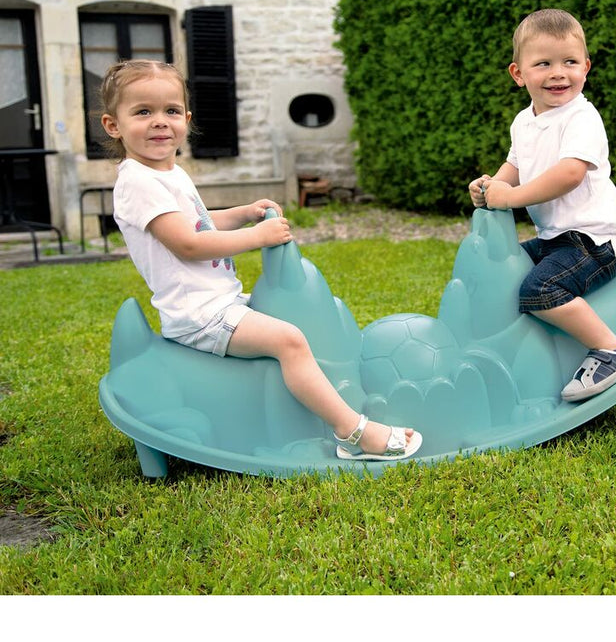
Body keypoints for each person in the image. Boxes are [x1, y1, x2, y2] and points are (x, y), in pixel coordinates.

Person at [99, 59, 422, 461]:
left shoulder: (167, 172)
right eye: (143, 112)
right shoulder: (138, 181)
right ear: (113, 125)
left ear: (187, 119)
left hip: (219, 301)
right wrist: (257, 237)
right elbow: (188, 244)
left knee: (297, 319)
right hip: (200, 315)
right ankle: (353, 433)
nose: (160, 121)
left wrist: (243, 212)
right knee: (289, 340)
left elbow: (197, 222)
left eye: (171, 110)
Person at [468, 9, 616, 401]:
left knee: (540, 288)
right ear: (518, 74)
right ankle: (512, 352)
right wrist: (493, 185)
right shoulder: (524, 121)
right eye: (544, 64)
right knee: (505, 266)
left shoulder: (582, 117)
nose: (558, 73)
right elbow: (516, 165)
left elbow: (569, 174)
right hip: (556, 238)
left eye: (570, 62)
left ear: (586, 68)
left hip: (594, 240)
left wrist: (511, 198)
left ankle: (613, 350)